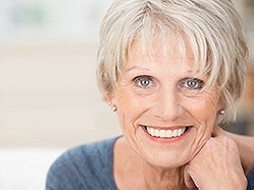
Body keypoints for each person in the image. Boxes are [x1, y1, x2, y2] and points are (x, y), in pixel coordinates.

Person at [46, 0, 254, 189]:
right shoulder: (77, 176)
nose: (168, 112)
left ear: (226, 91)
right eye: (144, 81)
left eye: (193, 83)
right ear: (109, 88)